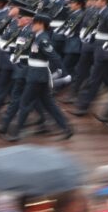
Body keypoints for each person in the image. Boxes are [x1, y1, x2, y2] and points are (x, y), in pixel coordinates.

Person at [6, 13, 73, 142]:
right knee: (49, 104)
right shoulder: (37, 37)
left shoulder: (43, 39)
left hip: (37, 75)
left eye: (35, 23)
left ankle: (15, 132)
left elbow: (54, 56)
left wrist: (64, 73)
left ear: (41, 25)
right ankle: (66, 128)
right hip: (36, 74)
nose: (32, 24)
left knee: (25, 102)